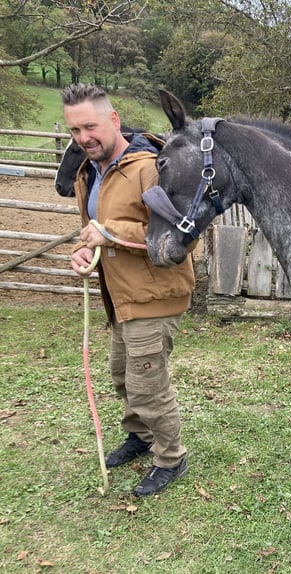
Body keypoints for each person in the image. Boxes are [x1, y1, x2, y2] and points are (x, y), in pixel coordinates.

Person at [63, 83, 194, 497]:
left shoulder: (152, 167)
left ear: (113, 119)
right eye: (74, 131)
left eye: (90, 126)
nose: (84, 138)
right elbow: (95, 233)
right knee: (122, 375)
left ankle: (171, 458)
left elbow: (183, 236)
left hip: (155, 295)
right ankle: (141, 436)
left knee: (147, 385)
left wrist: (109, 234)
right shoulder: (91, 171)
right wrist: (83, 252)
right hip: (120, 295)